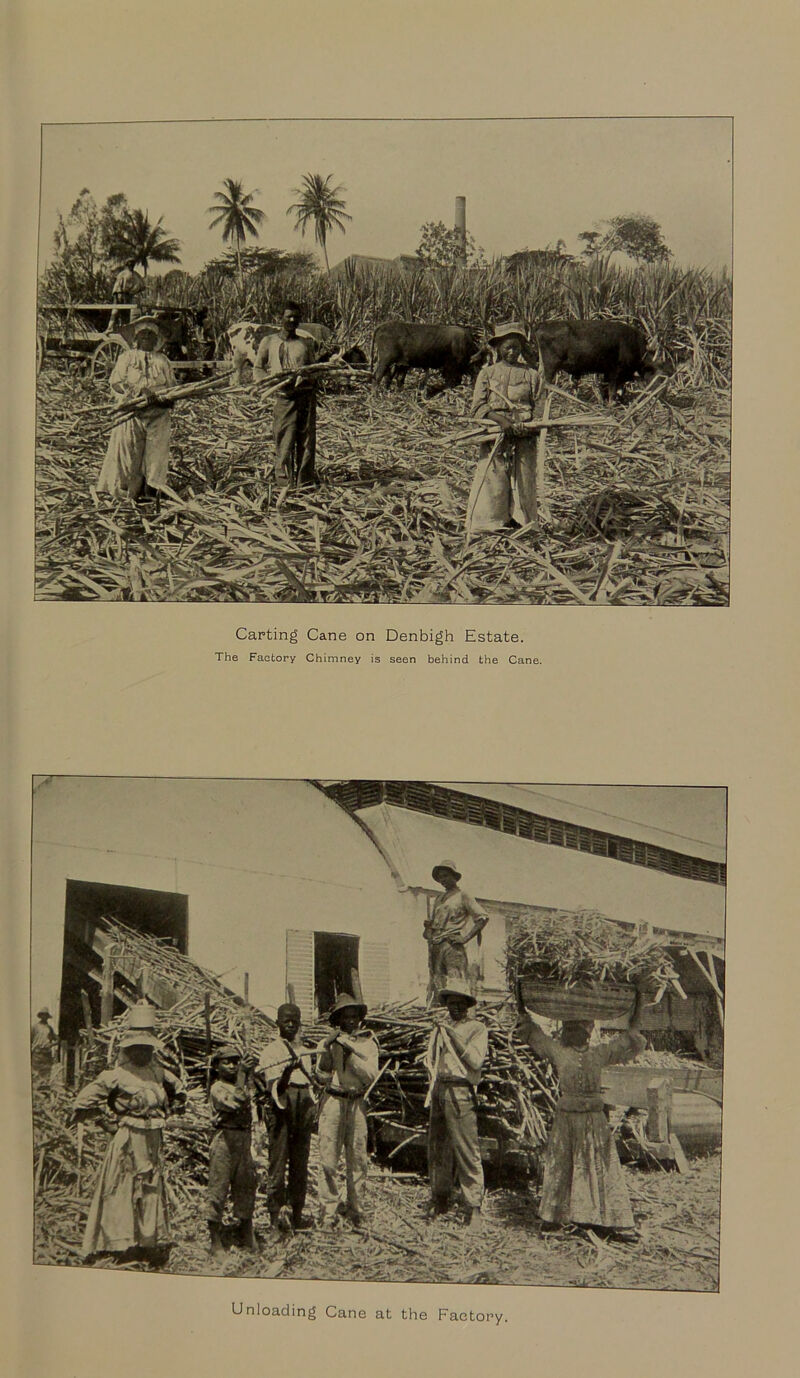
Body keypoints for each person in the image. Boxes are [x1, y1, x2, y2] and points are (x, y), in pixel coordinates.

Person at [515, 986, 648, 1242]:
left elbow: (631, 1036)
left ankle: (610, 1220)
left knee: (600, 1167)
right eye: (572, 1029)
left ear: (589, 1032)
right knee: (563, 1166)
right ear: (566, 1031)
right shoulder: (558, 1052)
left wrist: (638, 1002)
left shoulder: (599, 1055)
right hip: (567, 1120)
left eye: (583, 1029)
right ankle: (557, 1219)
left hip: (593, 1122)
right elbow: (530, 1029)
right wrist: (520, 996)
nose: (578, 1034)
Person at [71, 1003, 185, 1262]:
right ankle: (121, 1245)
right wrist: (106, 1123)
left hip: (152, 1139)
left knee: (150, 1187)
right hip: (127, 1140)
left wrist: (176, 1104)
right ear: (128, 1049)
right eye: (137, 1048)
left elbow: (179, 1090)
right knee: (123, 1187)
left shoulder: (158, 1072)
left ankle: (146, 1243)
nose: (142, 1053)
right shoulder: (117, 1075)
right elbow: (83, 1101)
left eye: (147, 1048)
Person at [466, 321, 543, 535]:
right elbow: (478, 407)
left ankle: (523, 522)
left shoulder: (532, 375)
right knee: (493, 473)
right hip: (495, 431)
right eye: (507, 347)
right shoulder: (487, 374)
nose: (512, 352)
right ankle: (490, 522)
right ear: (498, 348)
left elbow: (540, 407)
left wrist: (529, 426)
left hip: (524, 432)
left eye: (516, 347)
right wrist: (501, 421)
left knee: (524, 475)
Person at [426, 980, 488, 1229]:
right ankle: (440, 1198)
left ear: (468, 1006)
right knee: (438, 1147)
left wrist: (451, 1034)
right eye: (452, 1004)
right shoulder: (442, 1028)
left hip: (462, 1091)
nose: (456, 1009)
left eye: (461, 1005)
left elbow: (475, 1061)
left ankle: (473, 1207)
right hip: (441, 1088)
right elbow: (432, 1059)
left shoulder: (477, 1028)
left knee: (466, 1150)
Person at [315, 993, 379, 1228]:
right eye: (346, 1017)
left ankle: (356, 1209)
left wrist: (351, 1057)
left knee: (358, 1158)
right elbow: (320, 1078)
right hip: (333, 1101)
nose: (351, 1021)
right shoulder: (327, 1042)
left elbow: (372, 1076)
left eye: (354, 1016)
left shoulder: (368, 1043)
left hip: (357, 1102)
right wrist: (329, 1053)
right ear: (338, 1019)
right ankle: (328, 1211)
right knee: (328, 1158)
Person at [96, 316, 177, 502]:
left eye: (151, 335)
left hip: (158, 415)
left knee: (157, 455)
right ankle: (126, 492)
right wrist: (138, 391)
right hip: (132, 414)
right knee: (129, 454)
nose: (147, 338)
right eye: (143, 334)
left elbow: (172, 387)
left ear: (157, 340)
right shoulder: (126, 358)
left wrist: (164, 399)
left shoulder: (163, 361)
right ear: (136, 338)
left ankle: (152, 490)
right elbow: (116, 383)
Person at [256, 1003, 317, 1232]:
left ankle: (297, 1213)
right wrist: (288, 1071)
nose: (290, 1024)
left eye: (294, 1020)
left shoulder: (306, 1052)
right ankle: (274, 1216)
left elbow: (311, 1085)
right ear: (277, 1023)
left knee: (300, 1163)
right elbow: (275, 1090)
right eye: (285, 1020)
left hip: (303, 1106)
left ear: (299, 1023)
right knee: (278, 1163)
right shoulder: (271, 1051)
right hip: (282, 1105)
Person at [253, 302, 317, 488]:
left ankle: (304, 484)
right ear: (279, 318)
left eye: (296, 317)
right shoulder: (269, 342)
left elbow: (314, 370)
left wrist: (307, 378)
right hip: (283, 398)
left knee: (306, 444)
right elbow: (258, 368)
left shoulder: (305, 344)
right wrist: (272, 381)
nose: (292, 320)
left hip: (305, 398)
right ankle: (284, 485)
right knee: (284, 442)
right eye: (288, 316)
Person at [206, 1045, 259, 1258]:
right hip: (224, 1140)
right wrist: (242, 1075)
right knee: (218, 1187)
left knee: (246, 1185)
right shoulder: (217, 1088)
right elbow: (235, 1103)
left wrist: (249, 1075)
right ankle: (214, 1238)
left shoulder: (243, 1084)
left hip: (243, 1139)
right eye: (226, 1062)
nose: (231, 1065)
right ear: (217, 1067)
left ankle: (245, 1229)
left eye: (235, 1061)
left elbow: (252, 1097)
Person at [424, 861, 489, 996]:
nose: (443, 880)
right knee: (437, 982)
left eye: (446, 876)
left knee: (455, 981)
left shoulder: (463, 895)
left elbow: (482, 918)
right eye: (440, 877)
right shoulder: (438, 899)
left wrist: (464, 938)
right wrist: (428, 929)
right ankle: (437, 1014)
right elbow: (428, 930)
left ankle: (456, 1012)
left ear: (454, 877)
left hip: (452, 945)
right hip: (436, 945)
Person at [109, 263, 146, 331]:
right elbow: (118, 286)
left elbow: (142, 286)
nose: (131, 267)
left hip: (128, 295)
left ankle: (124, 329)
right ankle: (110, 327)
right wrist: (118, 295)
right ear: (127, 266)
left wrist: (133, 291)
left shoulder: (135, 274)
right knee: (116, 310)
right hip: (119, 293)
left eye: (132, 265)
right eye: (129, 265)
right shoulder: (123, 274)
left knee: (126, 312)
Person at [31, 1006, 57, 1083]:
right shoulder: (35, 1027)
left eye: (46, 1015)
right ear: (40, 1016)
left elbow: (57, 1039)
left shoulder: (49, 1028)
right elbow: (30, 1040)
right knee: (36, 1075)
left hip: (47, 1054)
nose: (44, 1016)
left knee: (46, 1075)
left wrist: (51, 1045)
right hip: (37, 1054)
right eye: (42, 1014)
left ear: (47, 1017)